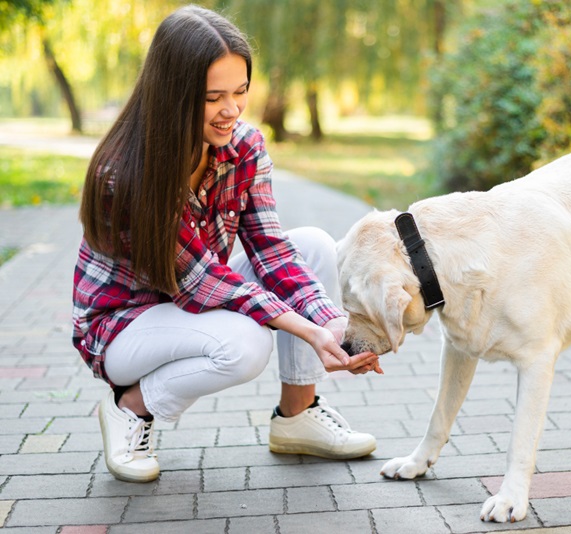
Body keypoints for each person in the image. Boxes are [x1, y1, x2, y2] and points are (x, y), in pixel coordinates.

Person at [72, 5, 382, 483]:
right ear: (173, 95)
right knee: (245, 343)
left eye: (240, 92)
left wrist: (333, 325)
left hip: (190, 300)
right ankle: (130, 407)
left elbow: (271, 251)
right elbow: (200, 284)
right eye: (213, 97)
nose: (232, 110)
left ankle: (297, 417)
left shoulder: (244, 147)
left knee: (313, 244)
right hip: (124, 326)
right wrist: (309, 331)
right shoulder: (127, 173)